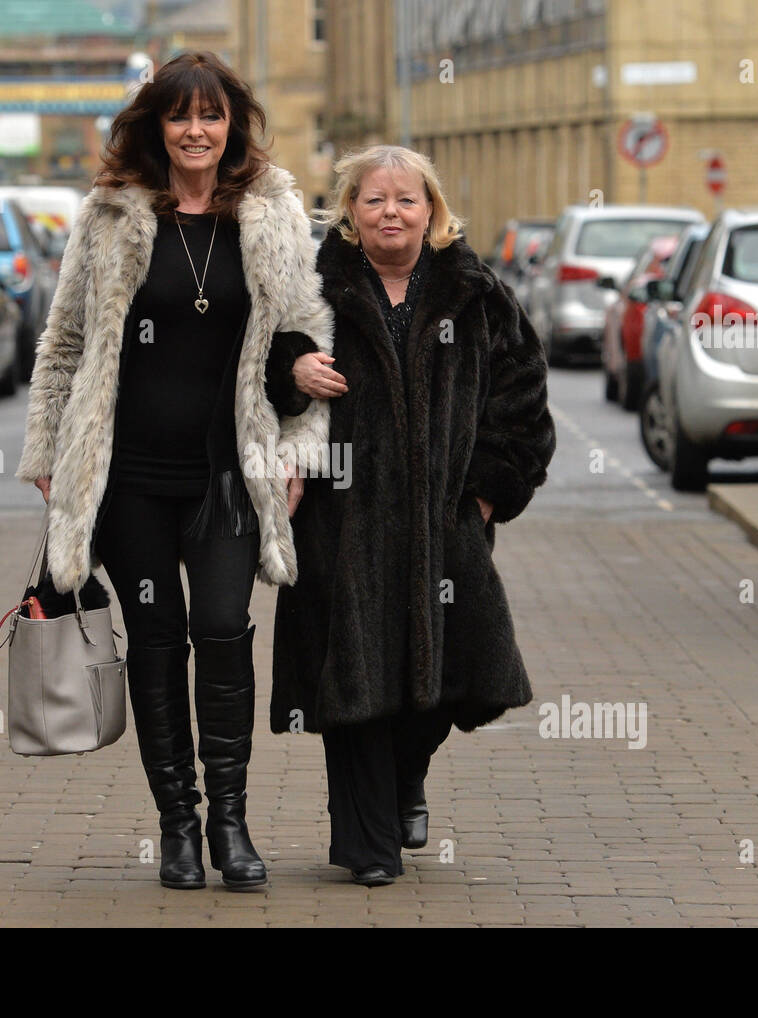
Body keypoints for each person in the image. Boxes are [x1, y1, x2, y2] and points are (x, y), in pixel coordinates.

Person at [16, 52, 332, 891]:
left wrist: (298, 449)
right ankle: (178, 827)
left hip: (228, 474)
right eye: (180, 116)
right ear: (156, 125)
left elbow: (302, 337)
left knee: (223, 632)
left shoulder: (271, 213)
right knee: (157, 641)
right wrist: (51, 456)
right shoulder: (111, 214)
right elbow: (66, 343)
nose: (197, 131)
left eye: (213, 116)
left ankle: (232, 822)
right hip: (130, 481)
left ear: (234, 125)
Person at [272, 145, 556, 886]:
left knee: (454, 677)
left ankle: (408, 778)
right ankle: (368, 847)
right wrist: (292, 370)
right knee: (353, 683)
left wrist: (488, 494)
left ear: (432, 210)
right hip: (339, 523)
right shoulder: (314, 290)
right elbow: (255, 365)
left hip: (445, 527)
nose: (391, 213)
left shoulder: (476, 293)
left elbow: (524, 399)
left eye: (407, 199)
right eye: (374, 200)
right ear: (349, 212)